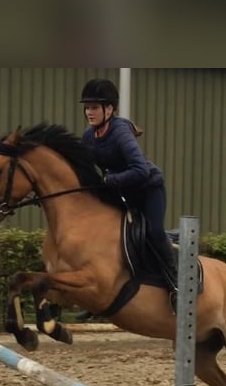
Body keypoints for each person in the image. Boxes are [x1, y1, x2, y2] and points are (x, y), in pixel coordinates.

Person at [75, 78, 178, 319]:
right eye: (87, 107)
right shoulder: (89, 136)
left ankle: (176, 286)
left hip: (149, 188)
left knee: (152, 232)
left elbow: (140, 169)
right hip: (123, 192)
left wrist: (109, 181)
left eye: (95, 107)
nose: (89, 112)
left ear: (109, 109)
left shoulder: (120, 132)